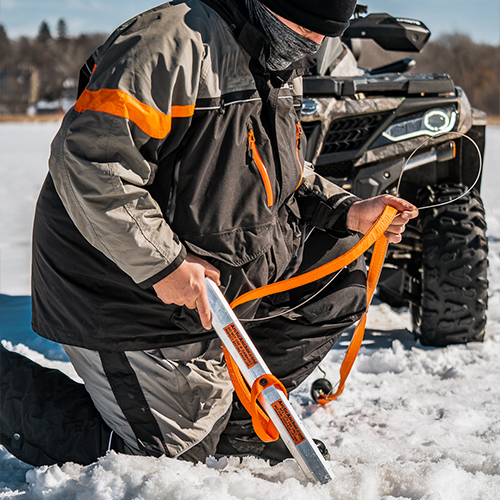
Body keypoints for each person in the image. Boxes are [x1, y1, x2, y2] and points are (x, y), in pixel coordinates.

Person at [1, 0, 418, 467]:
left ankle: (237, 430)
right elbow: (90, 163)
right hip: (123, 289)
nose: (313, 44)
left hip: (219, 287)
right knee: (167, 462)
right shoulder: (170, 42)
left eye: (325, 35)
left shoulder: (276, 56)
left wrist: (348, 210)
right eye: (305, 29)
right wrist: (164, 266)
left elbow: (285, 175)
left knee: (341, 273)